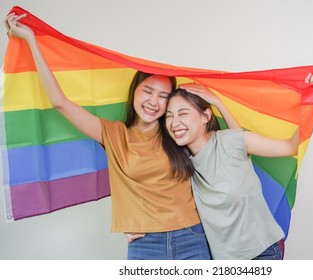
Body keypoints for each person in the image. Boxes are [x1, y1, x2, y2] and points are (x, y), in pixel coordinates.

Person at [4, 12, 212, 260]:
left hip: (192, 237)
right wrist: (31, 40)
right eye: (148, 91)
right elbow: (60, 102)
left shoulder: (177, 131)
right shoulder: (113, 134)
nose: (153, 102)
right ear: (135, 90)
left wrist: (217, 100)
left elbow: (231, 150)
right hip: (145, 245)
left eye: (163, 96)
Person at [165, 74, 313, 260]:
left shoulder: (229, 142)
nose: (174, 123)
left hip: (261, 254)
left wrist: (311, 98)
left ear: (206, 116)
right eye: (169, 116)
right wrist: (133, 225)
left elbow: (290, 146)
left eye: (183, 113)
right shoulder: (179, 163)